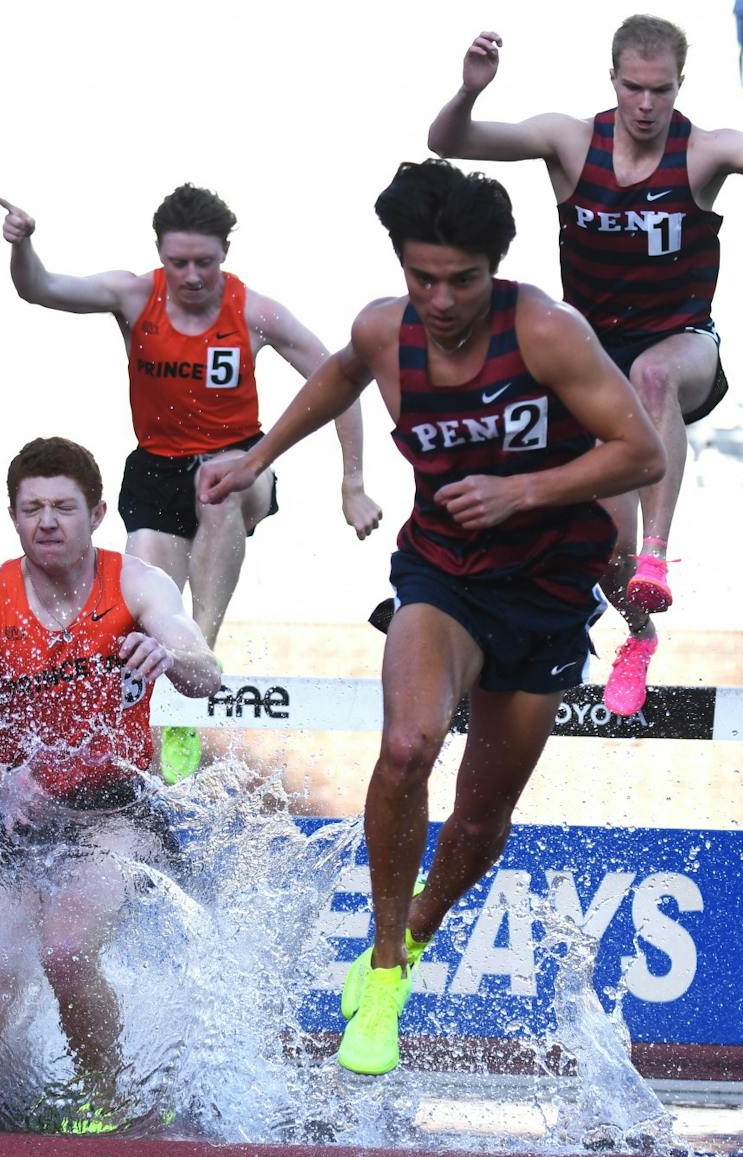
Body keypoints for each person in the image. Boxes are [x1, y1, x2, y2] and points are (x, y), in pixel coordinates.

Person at [199, 160, 666, 1075]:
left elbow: (640, 452)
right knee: (408, 746)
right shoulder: (385, 329)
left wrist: (525, 488)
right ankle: (383, 973)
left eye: (462, 279)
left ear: (495, 269)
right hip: (443, 574)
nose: (441, 298)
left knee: (480, 818)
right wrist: (256, 458)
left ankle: (418, 926)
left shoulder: (547, 331)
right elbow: (337, 378)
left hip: (546, 594)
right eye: (423, 277)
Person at [426, 18, 743, 716]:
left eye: (660, 91)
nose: (645, 105)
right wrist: (468, 91)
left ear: (678, 87)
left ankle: (660, 551)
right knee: (608, 556)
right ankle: (639, 634)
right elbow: (447, 143)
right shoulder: (570, 141)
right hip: (594, 361)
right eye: (633, 88)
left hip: (682, 340)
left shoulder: (701, 152)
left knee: (654, 378)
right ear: (612, 80)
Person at [0, 185, 381, 778]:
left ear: (225, 254)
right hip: (156, 467)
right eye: (179, 263)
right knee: (139, 594)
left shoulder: (255, 313)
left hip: (240, 464)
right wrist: (24, 246)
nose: (193, 276)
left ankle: (197, 663)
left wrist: (352, 482)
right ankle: (132, 728)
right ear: (160, 255)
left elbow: (343, 377)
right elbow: (39, 289)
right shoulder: (130, 294)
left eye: (206, 262)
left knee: (215, 483)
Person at [0, 436, 222, 1131]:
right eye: (33, 509)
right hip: (20, 817)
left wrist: (171, 653)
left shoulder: (138, 583)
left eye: (63, 507)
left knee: (65, 951)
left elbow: (209, 672)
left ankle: (111, 1103)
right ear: (14, 517)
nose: (47, 521)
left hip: (113, 813)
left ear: (96, 513)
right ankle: (10, 1110)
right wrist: (4, 780)